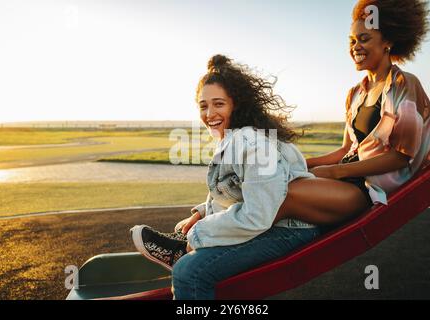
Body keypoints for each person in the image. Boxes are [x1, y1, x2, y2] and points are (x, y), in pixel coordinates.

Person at [132, 0, 430, 299]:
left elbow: (402, 155)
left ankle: (188, 244)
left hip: (365, 190)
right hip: (339, 180)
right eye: (352, 39)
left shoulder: (403, 85)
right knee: (272, 182)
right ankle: (193, 236)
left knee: (281, 194)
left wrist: (337, 170)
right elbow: (347, 148)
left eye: (364, 38)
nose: (355, 46)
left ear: (389, 41)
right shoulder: (356, 94)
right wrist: (303, 162)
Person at [131, 54, 321, 299]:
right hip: (270, 217)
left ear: (236, 105)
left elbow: (258, 215)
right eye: (203, 105)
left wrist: (198, 235)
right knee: (193, 235)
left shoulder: (253, 144)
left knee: (189, 271)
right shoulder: (234, 136)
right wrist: (202, 211)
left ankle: (180, 252)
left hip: (289, 227)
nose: (209, 113)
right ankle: (181, 246)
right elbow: (242, 188)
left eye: (218, 104)